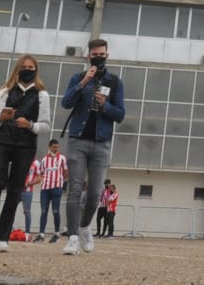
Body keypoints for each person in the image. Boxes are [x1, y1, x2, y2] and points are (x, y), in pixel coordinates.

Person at [0, 54, 52, 253]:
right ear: (17, 69)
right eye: (23, 66)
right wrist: (1, 117)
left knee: (16, 190)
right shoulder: (5, 91)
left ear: (36, 69)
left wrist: (30, 124)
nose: (27, 69)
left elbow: (45, 126)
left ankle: (2, 237)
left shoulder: (42, 95)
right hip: (3, 142)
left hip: (25, 146)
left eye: (30, 67)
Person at [60, 37, 125, 256]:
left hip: (101, 143)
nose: (98, 57)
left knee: (96, 193)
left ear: (107, 55)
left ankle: (85, 227)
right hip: (77, 140)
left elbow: (121, 114)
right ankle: (72, 237)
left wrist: (105, 105)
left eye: (102, 54)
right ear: (89, 56)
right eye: (94, 54)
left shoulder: (115, 82)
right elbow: (66, 102)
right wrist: (83, 83)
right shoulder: (78, 78)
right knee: (75, 190)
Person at [35, 139, 66, 242]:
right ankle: (41, 234)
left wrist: (61, 182)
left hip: (57, 188)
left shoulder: (62, 158)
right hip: (45, 189)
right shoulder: (44, 160)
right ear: (49, 147)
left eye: (57, 147)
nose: (56, 149)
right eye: (54, 147)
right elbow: (40, 173)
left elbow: (66, 172)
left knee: (55, 211)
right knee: (44, 211)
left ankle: (57, 234)